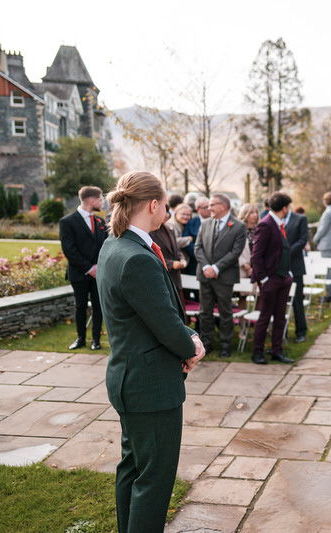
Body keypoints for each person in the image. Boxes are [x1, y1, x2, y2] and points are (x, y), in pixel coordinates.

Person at [96, 171, 205, 533]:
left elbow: (156, 314)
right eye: (165, 204)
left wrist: (185, 336)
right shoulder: (137, 257)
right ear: (155, 205)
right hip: (150, 388)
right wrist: (191, 347)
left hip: (129, 379)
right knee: (154, 479)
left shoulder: (115, 245)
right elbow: (164, 323)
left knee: (132, 468)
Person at [194, 193, 247, 358]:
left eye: (212, 205)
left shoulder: (238, 226)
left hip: (224, 277)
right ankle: (206, 343)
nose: (209, 208)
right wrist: (207, 267)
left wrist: (216, 268)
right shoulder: (206, 223)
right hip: (205, 275)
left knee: (225, 312)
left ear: (223, 206)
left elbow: (235, 252)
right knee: (205, 312)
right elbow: (198, 247)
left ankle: (225, 345)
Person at [59, 186, 108, 350]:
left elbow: (106, 247)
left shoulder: (100, 222)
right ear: (92, 201)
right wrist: (89, 268)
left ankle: (96, 340)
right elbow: (69, 250)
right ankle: (80, 338)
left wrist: (98, 268)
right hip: (79, 273)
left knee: (98, 306)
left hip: (98, 273)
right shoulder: (67, 222)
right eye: (101, 199)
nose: (102, 203)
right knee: (80, 306)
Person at [250, 192, 296, 365]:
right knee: (264, 317)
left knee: (280, 318)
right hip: (270, 281)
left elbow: (282, 251)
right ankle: (257, 353)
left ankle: (277, 351)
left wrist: (288, 273)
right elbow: (256, 255)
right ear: (284, 208)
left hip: (283, 279)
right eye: (288, 207)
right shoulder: (265, 225)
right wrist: (264, 279)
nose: (288, 210)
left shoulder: (279, 225)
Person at [149, 206, 187, 309]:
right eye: (163, 212)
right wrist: (171, 264)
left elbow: (176, 249)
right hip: (163, 278)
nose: (166, 215)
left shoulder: (169, 229)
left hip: (175, 278)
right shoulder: (150, 231)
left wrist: (182, 258)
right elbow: (151, 254)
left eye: (167, 212)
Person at [283, 200, 310, 343]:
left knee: (297, 301)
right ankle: (282, 333)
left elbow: (303, 240)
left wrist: (286, 253)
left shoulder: (300, 219)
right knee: (281, 303)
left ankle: (301, 332)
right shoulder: (275, 220)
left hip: (296, 266)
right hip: (280, 268)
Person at [313, 191, 331, 301]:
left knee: (327, 271)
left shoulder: (327, 213)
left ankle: (330, 295)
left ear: (325, 201)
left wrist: (315, 239)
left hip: (326, 244)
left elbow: (322, 229)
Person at [182, 196, 212, 275]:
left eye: (210, 206)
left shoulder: (216, 221)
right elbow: (187, 242)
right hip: (196, 263)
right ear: (198, 210)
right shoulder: (191, 223)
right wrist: (201, 256)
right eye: (206, 207)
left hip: (214, 263)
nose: (209, 209)